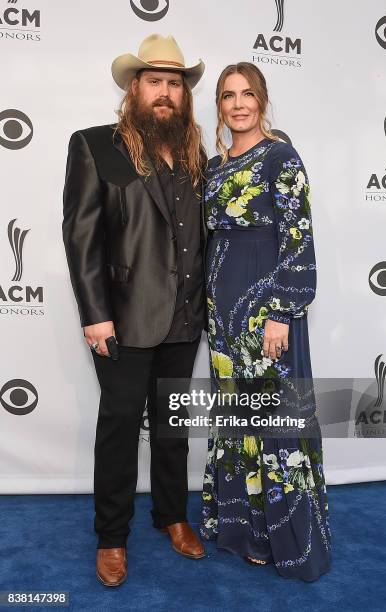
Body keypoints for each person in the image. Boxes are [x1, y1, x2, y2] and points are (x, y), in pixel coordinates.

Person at [62, 34, 207, 587]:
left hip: (185, 319)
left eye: (175, 83)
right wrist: (95, 314)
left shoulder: (198, 158)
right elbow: (81, 237)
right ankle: (111, 537)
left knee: (172, 427)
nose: (165, 92)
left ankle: (172, 516)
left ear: (184, 94)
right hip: (121, 318)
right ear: (133, 88)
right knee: (120, 425)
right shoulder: (96, 145)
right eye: (155, 82)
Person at [199, 62, 332, 581]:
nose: (238, 104)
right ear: (219, 105)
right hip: (222, 310)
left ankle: (285, 541)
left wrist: (282, 310)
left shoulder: (282, 157)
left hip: (266, 309)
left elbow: (298, 236)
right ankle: (243, 530)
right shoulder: (212, 167)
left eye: (247, 94)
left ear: (262, 100)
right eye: (228, 95)